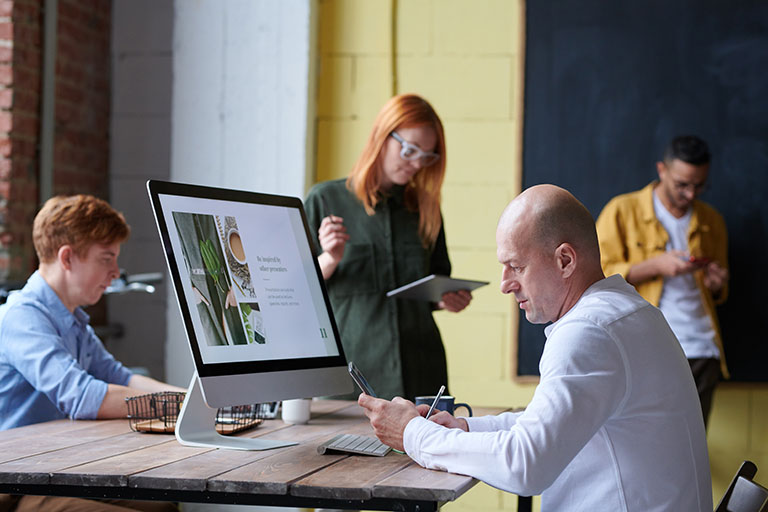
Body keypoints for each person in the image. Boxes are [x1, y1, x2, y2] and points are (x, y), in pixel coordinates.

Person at [359, 185, 712, 511]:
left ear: (565, 261)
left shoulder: (588, 331)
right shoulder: (630, 312)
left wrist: (412, 433)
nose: (505, 285)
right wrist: (465, 429)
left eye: (516, 266)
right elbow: (551, 425)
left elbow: (526, 465)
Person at [0, 195, 181, 512]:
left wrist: (190, 400)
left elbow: (121, 377)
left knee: (163, 505)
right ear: (67, 258)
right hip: (15, 482)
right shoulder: (22, 318)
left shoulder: (73, 321)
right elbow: (81, 396)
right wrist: (170, 405)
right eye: (106, 258)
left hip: (59, 469)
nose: (115, 272)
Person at [305, 93, 472, 400]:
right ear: (382, 136)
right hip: (352, 379)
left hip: (421, 373)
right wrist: (329, 258)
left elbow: (434, 283)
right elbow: (295, 291)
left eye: (426, 156)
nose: (416, 164)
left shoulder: (425, 209)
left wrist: (446, 300)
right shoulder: (325, 200)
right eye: (409, 150)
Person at [595, 135, 728, 427]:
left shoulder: (711, 220)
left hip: (702, 348)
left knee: (692, 441)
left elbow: (717, 288)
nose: (691, 194)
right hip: (645, 346)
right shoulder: (621, 210)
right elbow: (595, 276)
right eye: (682, 184)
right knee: (646, 439)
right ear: (662, 170)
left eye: (699, 185)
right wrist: (654, 265)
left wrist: (717, 283)